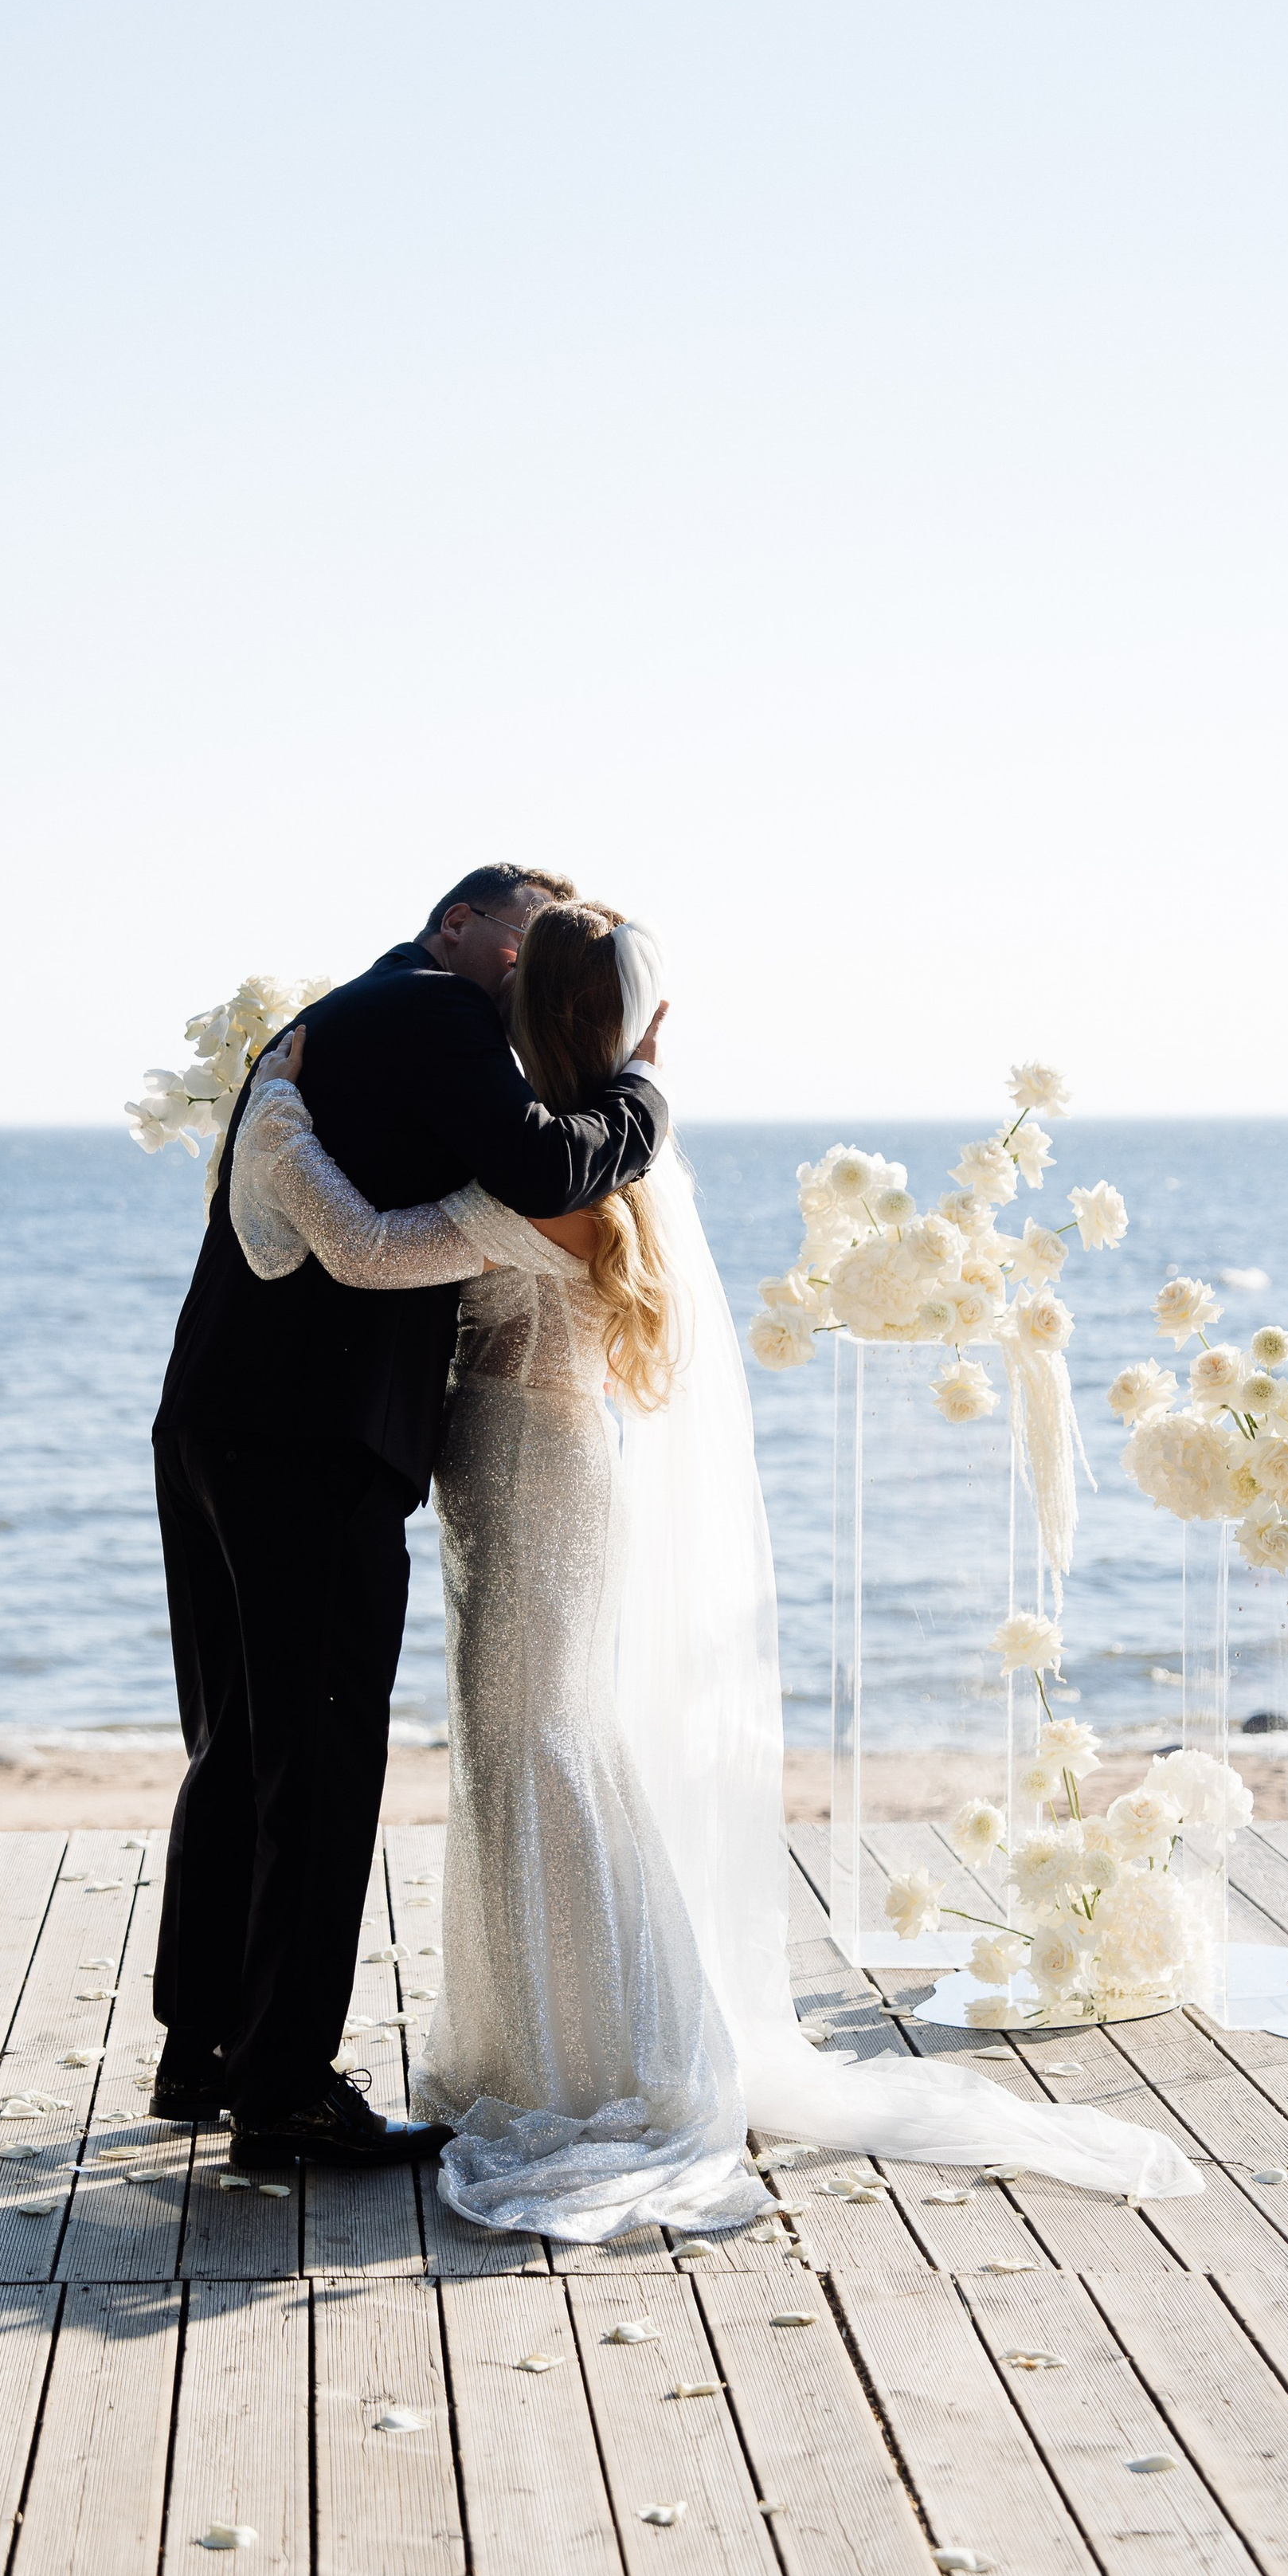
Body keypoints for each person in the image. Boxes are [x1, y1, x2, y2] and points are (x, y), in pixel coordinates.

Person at [227, 898, 1203, 2232]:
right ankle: (537, 2049)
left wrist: (276, 1119)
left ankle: (615, 2060)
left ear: (528, 1007)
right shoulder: (588, 1156)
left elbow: (364, 1249)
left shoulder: (551, 1193)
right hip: (524, 1469)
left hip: (530, 1471)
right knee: (524, 1749)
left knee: (542, 1749)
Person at [149, 865, 670, 2169]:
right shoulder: (437, 1014)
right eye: (518, 937)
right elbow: (537, 1166)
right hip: (311, 1443)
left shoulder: (328, 1025)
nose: (525, 965)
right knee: (318, 1762)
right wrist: (645, 1090)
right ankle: (281, 2091)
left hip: (211, 1420)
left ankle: (204, 2047)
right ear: (457, 925)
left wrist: (270, 1109)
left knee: (237, 1745)